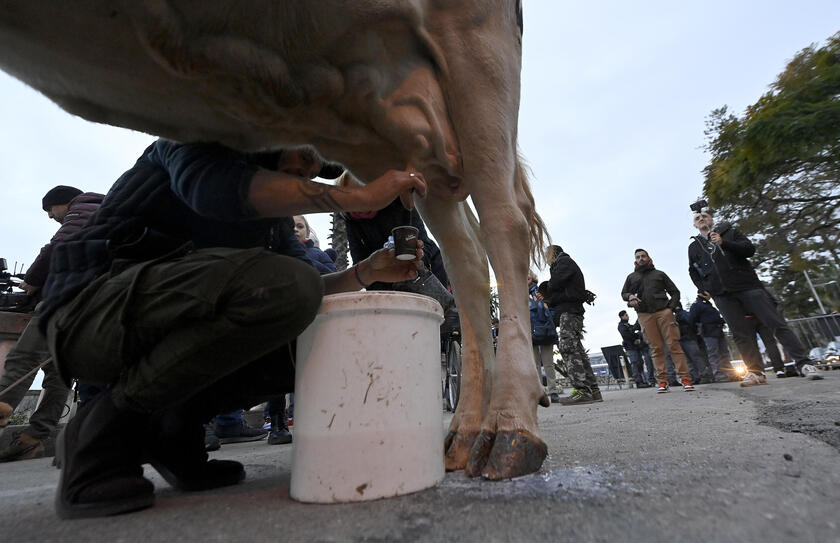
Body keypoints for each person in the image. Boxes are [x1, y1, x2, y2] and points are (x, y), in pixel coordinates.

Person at [39, 140, 427, 519]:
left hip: (151, 322)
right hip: (89, 318)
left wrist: (367, 272)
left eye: (317, 164)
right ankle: (100, 434)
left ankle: (174, 429)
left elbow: (304, 289)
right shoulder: (195, 137)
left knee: (311, 336)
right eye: (306, 151)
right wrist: (357, 198)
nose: (309, 169)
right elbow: (213, 191)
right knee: (287, 289)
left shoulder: (274, 220)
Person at [0, 186, 103, 462]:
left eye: (50, 210)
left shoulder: (83, 206)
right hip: (98, 300)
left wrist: (31, 281)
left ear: (63, 202)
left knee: (23, 357)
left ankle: (7, 413)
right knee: (59, 372)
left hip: (68, 296)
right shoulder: (107, 208)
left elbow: (59, 247)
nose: (50, 217)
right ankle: (33, 438)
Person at [688, 210, 822, 385]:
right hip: (722, 293)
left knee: (776, 323)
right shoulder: (694, 246)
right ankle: (755, 372)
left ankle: (804, 363)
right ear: (694, 225)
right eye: (698, 218)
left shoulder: (729, 232)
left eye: (704, 216)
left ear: (711, 220)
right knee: (740, 333)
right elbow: (693, 271)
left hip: (747, 285)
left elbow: (749, 249)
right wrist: (704, 288)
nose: (701, 219)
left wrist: (724, 242)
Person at [621, 249, 694, 393]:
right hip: (644, 315)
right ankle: (662, 381)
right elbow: (623, 293)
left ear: (649, 258)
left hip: (663, 312)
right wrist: (630, 297)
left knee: (673, 344)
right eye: (638, 257)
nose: (641, 258)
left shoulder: (659, 274)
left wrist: (670, 309)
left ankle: (685, 379)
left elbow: (675, 292)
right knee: (655, 348)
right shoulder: (631, 277)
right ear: (635, 260)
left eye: (643, 256)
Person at [544, 245, 601, 405]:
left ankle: (582, 390)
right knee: (578, 350)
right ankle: (593, 390)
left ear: (553, 253)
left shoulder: (563, 262)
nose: (545, 259)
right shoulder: (565, 263)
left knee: (568, 347)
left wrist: (549, 292)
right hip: (571, 311)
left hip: (569, 311)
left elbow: (554, 284)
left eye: (546, 255)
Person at [688, 291, 737, 382]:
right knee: (714, 354)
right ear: (702, 293)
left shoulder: (708, 305)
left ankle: (730, 374)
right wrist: (697, 331)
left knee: (724, 353)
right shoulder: (697, 305)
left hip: (718, 330)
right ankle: (719, 375)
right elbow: (692, 319)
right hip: (708, 332)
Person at [531, 280, 560, 402]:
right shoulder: (521, 294)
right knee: (534, 364)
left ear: (533, 278)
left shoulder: (542, 291)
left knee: (548, 363)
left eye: (529, 275)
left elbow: (551, 308)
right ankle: (539, 392)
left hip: (545, 330)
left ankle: (553, 391)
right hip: (530, 331)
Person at [674, 303, 712, 384]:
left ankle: (703, 375)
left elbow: (690, 321)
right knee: (689, 360)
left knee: (695, 357)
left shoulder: (683, 314)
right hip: (683, 338)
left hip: (688, 338)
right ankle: (695, 377)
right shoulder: (677, 316)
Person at [617, 310, 654, 388]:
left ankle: (643, 381)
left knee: (639, 364)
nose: (628, 316)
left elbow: (633, 330)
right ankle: (639, 382)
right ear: (622, 316)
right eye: (626, 315)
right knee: (635, 364)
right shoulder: (622, 326)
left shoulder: (627, 325)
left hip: (635, 347)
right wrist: (635, 338)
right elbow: (626, 335)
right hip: (631, 348)